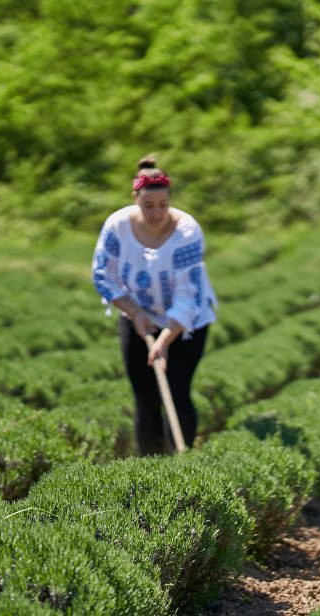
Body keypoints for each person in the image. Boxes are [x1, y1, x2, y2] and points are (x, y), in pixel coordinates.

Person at [91, 156, 218, 455]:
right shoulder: (117, 226)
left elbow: (189, 294)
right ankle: (150, 465)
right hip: (138, 316)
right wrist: (134, 313)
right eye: (149, 205)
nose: (157, 212)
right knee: (145, 396)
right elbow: (102, 275)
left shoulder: (187, 231)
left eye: (163, 205)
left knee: (175, 391)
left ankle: (180, 461)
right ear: (135, 199)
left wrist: (164, 340)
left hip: (187, 323)